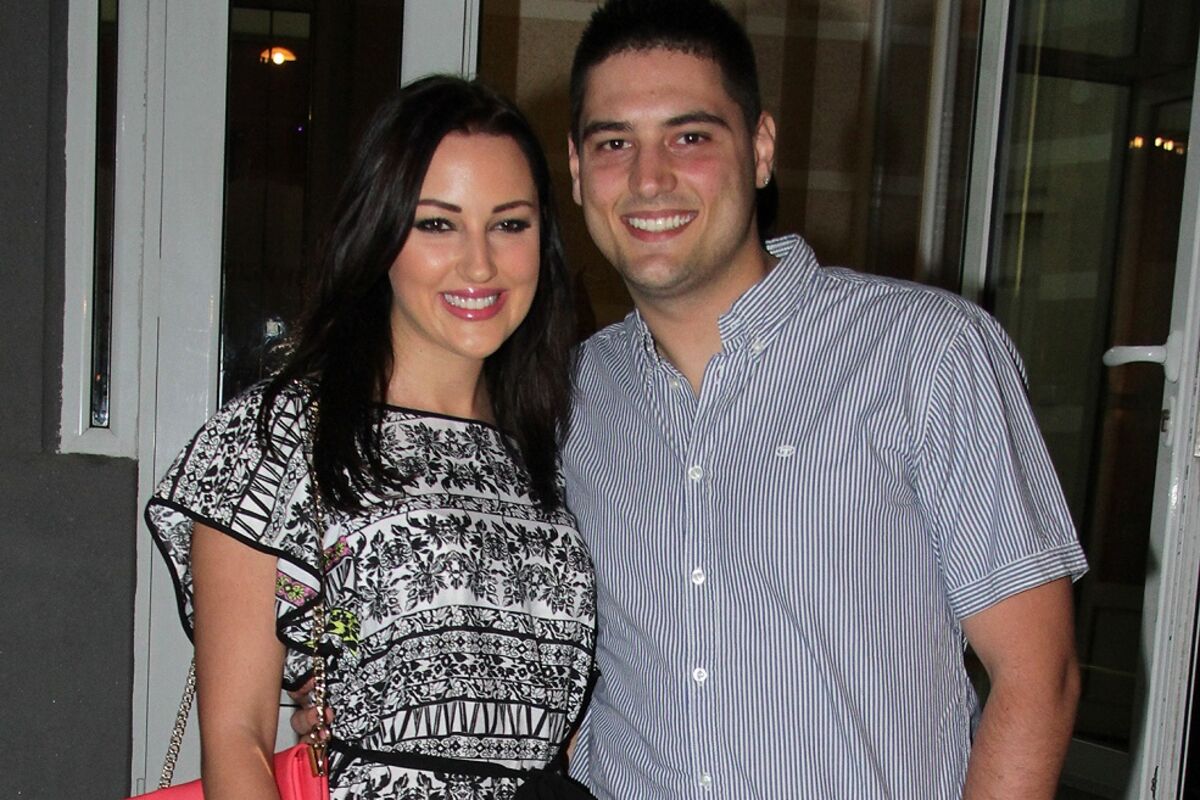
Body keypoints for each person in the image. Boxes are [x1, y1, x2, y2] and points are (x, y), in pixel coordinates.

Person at [558, 0, 1087, 798]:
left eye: (690, 137)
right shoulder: (568, 398)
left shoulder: (926, 353)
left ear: (761, 149)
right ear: (576, 170)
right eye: (614, 143)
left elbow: (1038, 676)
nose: (649, 178)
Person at [146, 76, 596, 800]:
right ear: (380, 234)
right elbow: (237, 741)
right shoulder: (279, 436)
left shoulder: (552, 443)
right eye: (437, 224)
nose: (480, 264)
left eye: (509, 224)